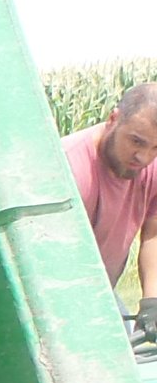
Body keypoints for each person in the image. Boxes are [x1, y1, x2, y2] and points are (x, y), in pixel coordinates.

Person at [65, 83, 157, 338]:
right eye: (136, 141)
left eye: (155, 148)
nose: (143, 158)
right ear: (113, 119)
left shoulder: (153, 168)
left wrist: (152, 302)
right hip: (60, 294)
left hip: (102, 290)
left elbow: (153, 235)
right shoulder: (68, 170)